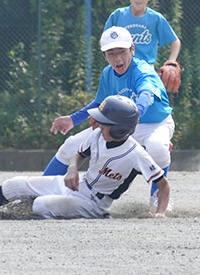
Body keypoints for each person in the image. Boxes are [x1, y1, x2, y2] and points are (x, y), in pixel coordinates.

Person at [0, 95, 171, 219]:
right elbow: (80, 154)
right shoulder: (98, 135)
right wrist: (72, 169)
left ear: (119, 129)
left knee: (41, 205)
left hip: (94, 204)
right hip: (77, 186)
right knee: (15, 184)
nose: (94, 121)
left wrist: (160, 212)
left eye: (102, 120)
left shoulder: (136, 153)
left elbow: (163, 184)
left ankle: (1, 215)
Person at [43, 26, 175, 210]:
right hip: (119, 123)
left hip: (154, 124)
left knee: (157, 148)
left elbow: (147, 95)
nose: (117, 58)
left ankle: (157, 196)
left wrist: (133, 116)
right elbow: (99, 104)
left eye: (122, 51)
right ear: (104, 55)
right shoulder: (107, 73)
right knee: (70, 146)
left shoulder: (143, 71)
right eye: (111, 53)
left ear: (132, 50)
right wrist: (72, 120)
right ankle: (40, 188)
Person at [104, 0, 181, 67]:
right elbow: (104, 40)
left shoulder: (155, 18)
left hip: (146, 68)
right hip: (121, 67)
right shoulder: (117, 15)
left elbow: (175, 42)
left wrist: (171, 61)